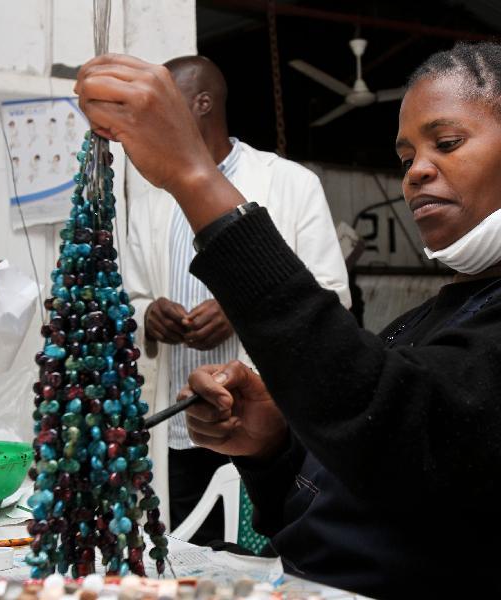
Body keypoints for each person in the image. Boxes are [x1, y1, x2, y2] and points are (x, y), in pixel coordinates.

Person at [76, 42, 501, 598]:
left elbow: (397, 435)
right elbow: (334, 507)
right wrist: (274, 444)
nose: (416, 173)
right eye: (406, 159)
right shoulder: (423, 322)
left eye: (446, 143)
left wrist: (197, 180)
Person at [123, 56, 350, 544]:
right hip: (180, 428)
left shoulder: (291, 183)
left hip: (266, 425)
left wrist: (245, 307)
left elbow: (333, 296)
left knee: (269, 558)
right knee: (186, 557)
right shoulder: (148, 200)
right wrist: (147, 314)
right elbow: (131, 295)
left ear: (201, 103)